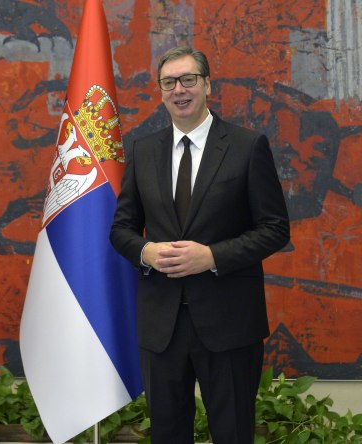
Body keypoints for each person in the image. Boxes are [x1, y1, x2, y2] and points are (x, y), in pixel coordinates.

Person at [110, 46, 290, 443]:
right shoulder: (142, 150)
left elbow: (276, 228)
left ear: (207, 84)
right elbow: (121, 229)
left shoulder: (247, 146)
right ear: (161, 92)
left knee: (233, 433)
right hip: (162, 326)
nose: (179, 90)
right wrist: (146, 252)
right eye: (169, 82)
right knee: (167, 435)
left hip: (229, 324)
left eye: (188, 79)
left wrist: (211, 256)